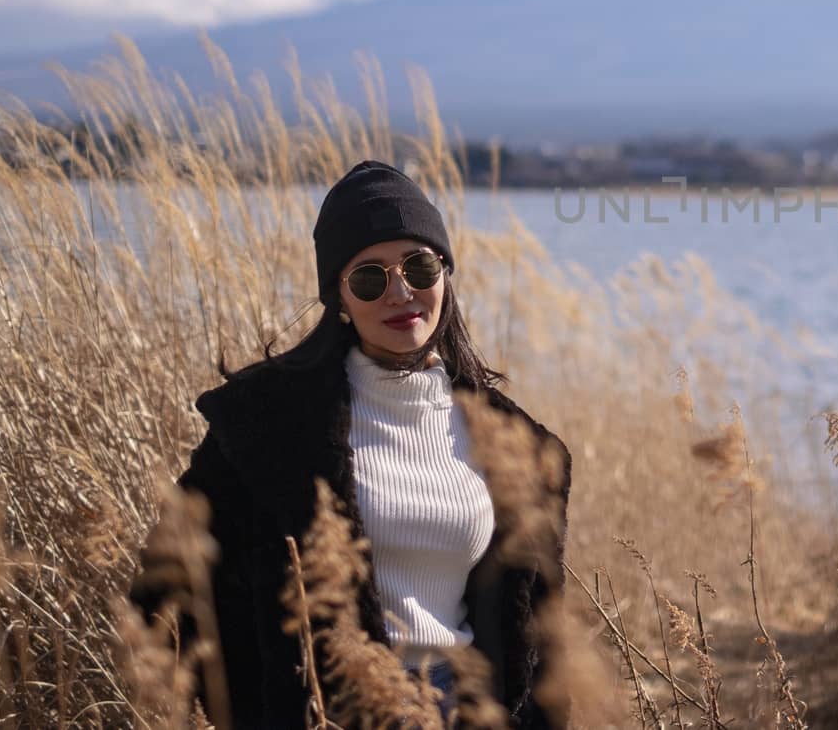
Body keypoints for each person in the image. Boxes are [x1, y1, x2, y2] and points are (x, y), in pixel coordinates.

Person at [130, 160, 571, 728]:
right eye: (370, 277)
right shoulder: (267, 425)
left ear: (445, 275)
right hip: (334, 711)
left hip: (467, 709)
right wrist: (253, 708)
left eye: (419, 267)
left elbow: (539, 631)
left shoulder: (515, 443)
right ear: (339, 297)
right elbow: (163, 592)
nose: (401, 292)